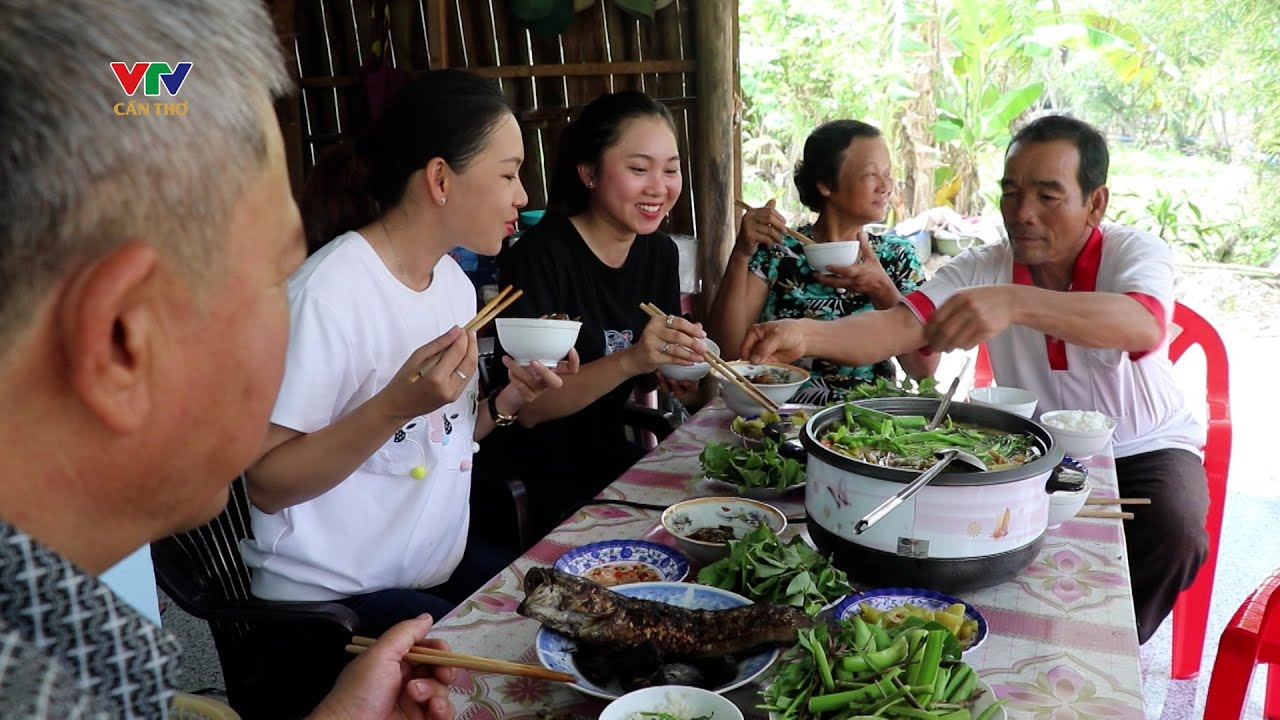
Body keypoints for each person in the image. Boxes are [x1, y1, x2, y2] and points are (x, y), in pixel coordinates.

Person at [0, 0, 457, 718]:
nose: (294, 304)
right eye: (278, 277)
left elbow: (146, 86)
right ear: (124, 339)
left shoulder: (71, 611)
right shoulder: (38, 694)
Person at [742, 114, 1208, 644]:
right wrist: (804, 336)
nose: (1022, 213)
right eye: (1011, 193)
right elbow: (899, 326)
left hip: (1146, 444)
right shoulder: (984, 265)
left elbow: (1141, 323)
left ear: (1095, 203)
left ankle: (1112, 648)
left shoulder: (1134, 251)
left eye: (1048, 196)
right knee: (971, 547)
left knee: (1177, 533)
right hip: (1028, 444)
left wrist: (1015, 302)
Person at [241, 69, 575, 638]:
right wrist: (394, 405)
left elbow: (437, 440)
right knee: (525, 658)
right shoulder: (326, 294)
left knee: (579, 616)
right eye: (509, 173)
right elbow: (267, 483)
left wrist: (510, 401)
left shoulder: (453, 285)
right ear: (441, 179)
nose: (523, 196)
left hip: (421, 573)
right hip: (333, 602)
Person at [481, 90, 707, 538]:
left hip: (608, 458)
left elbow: (641, 374)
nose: (659, 187)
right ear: (588, 173)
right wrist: (634, 359)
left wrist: (669, 371)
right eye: (639, 169)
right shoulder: (540, 257)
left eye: (670, 169)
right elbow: (531, 409)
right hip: (535, 476)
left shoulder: (658, 252)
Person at [708, 120, 937, 404]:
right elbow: (728, 353)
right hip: (782, 416)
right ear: (826, 185)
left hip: (871, 423)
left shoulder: (897, 257)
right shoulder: (779, 250)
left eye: (888, 174)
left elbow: (923, 370)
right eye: (871, 174)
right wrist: (741, 253)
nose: (886, 185)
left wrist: (881, 289)